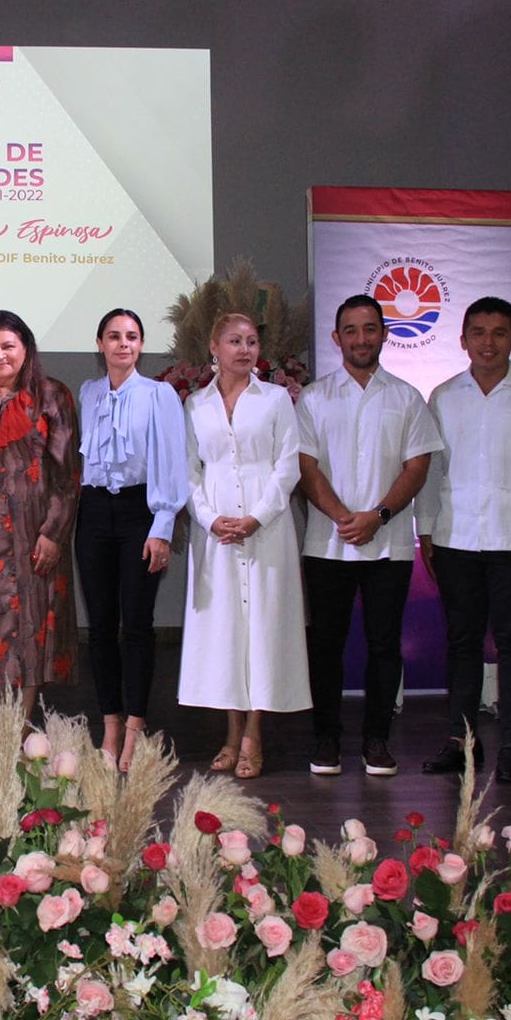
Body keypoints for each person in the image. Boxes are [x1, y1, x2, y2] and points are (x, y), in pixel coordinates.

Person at [417, 296, 511, 784]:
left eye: (499, 333)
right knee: (462, 642)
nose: (488, 343)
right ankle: (461, 741)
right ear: (463, 340)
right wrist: (426, 529)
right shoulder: (443, 396)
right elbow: (432, 469)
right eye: (478, 333)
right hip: (455, 539)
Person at [295, 295, 444, 777]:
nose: (361, 339)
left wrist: (377, 516)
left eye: (370, 329)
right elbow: (305, 466)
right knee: (326, 645)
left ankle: (377, 740)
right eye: (351, 330)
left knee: (384, 645)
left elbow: (417, 467)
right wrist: (344, 517)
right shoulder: (314, 398)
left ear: (384, 334)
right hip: (327, 542)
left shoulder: (407, 398)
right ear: (336, 338)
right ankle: (326, 738)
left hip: (389, 544)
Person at [178, 312, 309, 778]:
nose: (244, 349)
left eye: (252, 341)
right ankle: (231, 732)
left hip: (266, 527)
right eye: (234, 341)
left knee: (263, 626)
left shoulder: (275, 399)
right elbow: (189, 470)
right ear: (214, 347)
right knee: (226, 630)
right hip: (215, 531)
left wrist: (257, 517)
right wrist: (210, 519)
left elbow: (288, 465)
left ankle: (254, 732)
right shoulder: (196, 404)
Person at [75, 308, 187, 771]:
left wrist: (163, 526)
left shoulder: (159, 394)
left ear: (141, 345)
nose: (123, 343)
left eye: (132, 336)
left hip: (141, 511)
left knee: (137, 623)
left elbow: (173, 462)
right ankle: (111, 723)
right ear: (100, 344)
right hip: (93, 512)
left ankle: (137, 726)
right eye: (114, 336)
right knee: (100, 626)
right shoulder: (89, 392)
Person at [0, 310, 80, 721]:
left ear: (26, 349)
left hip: (34, 528)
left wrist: (54, 532)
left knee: (30, 625)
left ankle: (21, 726)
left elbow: (67, 474)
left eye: (8, 346)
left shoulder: (53, 394)